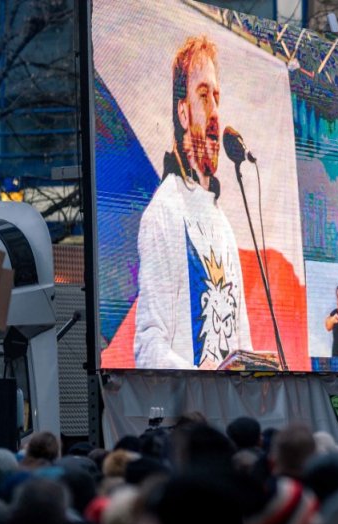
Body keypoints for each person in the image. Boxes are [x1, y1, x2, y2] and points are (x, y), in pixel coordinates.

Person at [134, 35, 253, 370]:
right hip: (189, 414)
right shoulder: (164, 213)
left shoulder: (223, 224)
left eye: (217, 96)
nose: (215, 112)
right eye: (203, 96)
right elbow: (148, 346)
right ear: (183, 113)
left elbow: (241, 341)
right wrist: (205, 378)